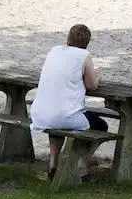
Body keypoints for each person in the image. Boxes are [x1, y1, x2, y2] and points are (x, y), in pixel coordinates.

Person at [30, 24, 107, 181]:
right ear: (87, 42)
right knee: (101, 126)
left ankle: (53, 163)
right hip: (64, 115)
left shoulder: (54, 51)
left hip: (40, 113)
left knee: (56, 124)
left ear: (68, 38)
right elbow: (92, 85)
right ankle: (82, 162)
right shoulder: (84, 55)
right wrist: (98, 77)